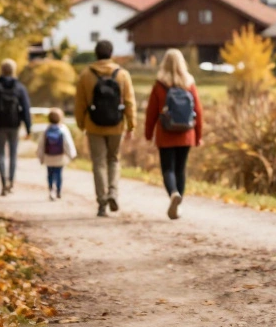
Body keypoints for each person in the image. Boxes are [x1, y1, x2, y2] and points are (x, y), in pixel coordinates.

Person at [73, 40, 136, 217]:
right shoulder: (122, 75)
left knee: (99, 163)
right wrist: (131, 125)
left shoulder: (86, 75)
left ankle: (102, 202)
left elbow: (80, 103)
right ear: (111, 53)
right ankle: (113, 193)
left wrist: (81, 123)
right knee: (114, 160)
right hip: (117, 125)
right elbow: (130, 102)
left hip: (94, 125)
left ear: (96, 53)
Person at [143, 49, 203, 220]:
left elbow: (151, 112)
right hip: (187, 133)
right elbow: (198, 110)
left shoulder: (160, 84)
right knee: (180, 170)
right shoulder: (189, 83)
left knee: (168, 169)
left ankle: (173, 194)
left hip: (165, 133)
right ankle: (179, 205)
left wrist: (148, 134)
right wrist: (198, 136)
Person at [0, 59, 33, 195]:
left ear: (2, 70)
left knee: (0, 154)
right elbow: (26, 108)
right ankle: (11, 181)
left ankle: (3, 183)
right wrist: (28, 127)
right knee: (13, 154)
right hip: (14, 125)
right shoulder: (19, 87)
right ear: (14, 70)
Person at [37, 108, 77, 201]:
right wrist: (72, 155)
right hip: (60, 157)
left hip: (48, 157)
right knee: (58, 174)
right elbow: (68, 143)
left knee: (50, 174)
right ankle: (58, 191)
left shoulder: (46, 130)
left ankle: (51, 189)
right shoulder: (63, 129)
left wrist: (40, 157)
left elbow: (41, 145)